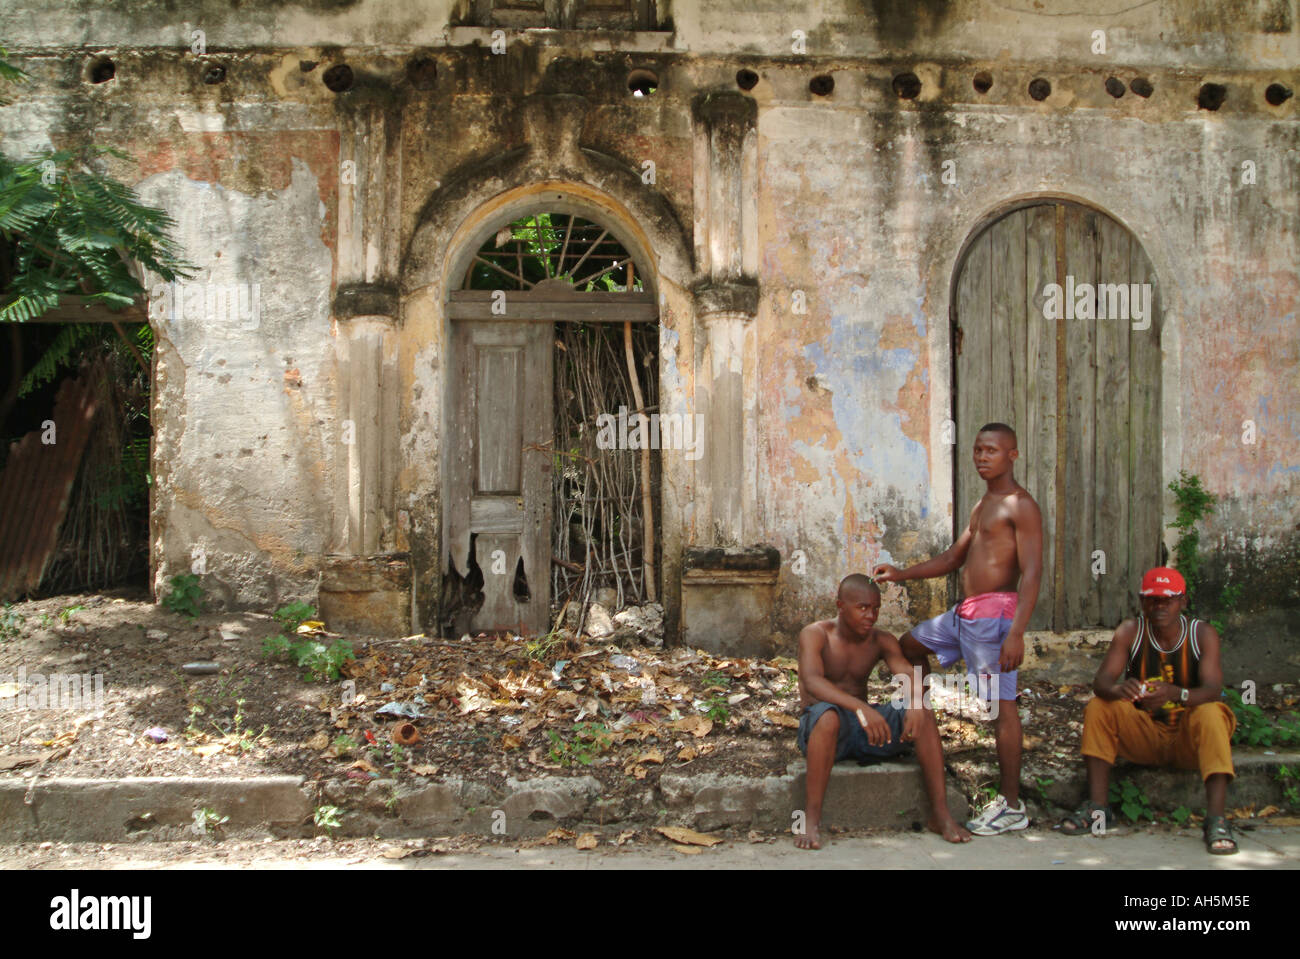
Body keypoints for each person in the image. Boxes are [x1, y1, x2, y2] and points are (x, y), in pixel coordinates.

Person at [874, 422, 1043, 836]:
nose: (982, 457)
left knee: (1001, 708)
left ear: (1012, 455)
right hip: (963, 614)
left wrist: (1017, 632)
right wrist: (900, 574)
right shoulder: (983, 504)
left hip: (995, 618)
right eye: (977, 450)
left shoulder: (1021, 505)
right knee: (909, 645)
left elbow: (1034, 571)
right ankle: (923, 725)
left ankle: (1010, 805)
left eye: (992, 451)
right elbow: (953, 557)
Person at [1058, 566, 1238, 854]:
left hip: (1189, 741)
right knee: (1099, 707)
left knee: (1211, 711)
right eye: (1153, 599)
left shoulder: (1201, 634)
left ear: (1183, 601)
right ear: (1142, 602)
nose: (1160, 606)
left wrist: (1176, 694)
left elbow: (1213, 689)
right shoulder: (1131, 631)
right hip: (1146, 735)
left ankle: (1217, 819)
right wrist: (1120, 690)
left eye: (1168, 599)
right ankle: (1098, 809)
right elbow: (1102, 682)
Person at [795, 573, 972, 849]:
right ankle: (811, 819)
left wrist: (915, 701)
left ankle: (941, 815)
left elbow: (907, 674)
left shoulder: (881, 640)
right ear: (841, 606)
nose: (871, 615)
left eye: (875, 608)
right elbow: (812, 682)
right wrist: (861, 708)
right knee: (827, 716)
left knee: (922, 711)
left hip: (867, 729)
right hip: (826, 728)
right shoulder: (816, 634)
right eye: (862, 608)